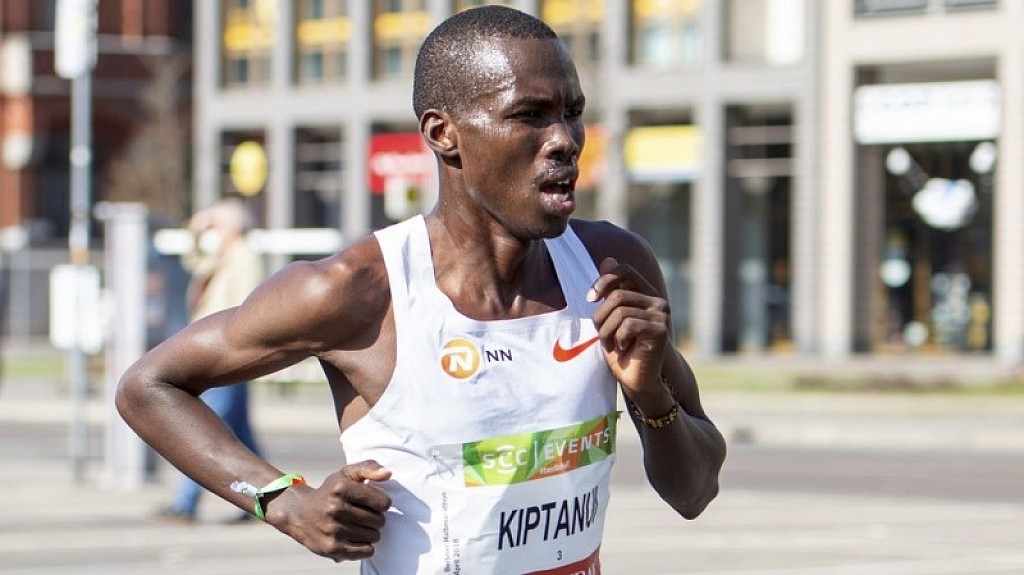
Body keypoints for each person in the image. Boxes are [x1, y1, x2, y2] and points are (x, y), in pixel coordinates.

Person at [118, 5, 725, 571]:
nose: (565, 139)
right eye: (530, 115)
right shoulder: (359, 289)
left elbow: (695, 492)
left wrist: (650, 396)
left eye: (572, 112)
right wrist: (282, 500)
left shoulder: (610, 267)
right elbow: (149, 386)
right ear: (443, 133)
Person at [154, 198, 266, 523]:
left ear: (232, 226)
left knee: (206, 429)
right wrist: (195, 232)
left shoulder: (245, 256)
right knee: (240, 435)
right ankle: (267, 496)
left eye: (216, 224)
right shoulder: (221, 255)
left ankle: (185, 503)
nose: (212, 230)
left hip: (226, 356)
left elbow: (248, 306)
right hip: (215, 353)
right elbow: (193, 263)